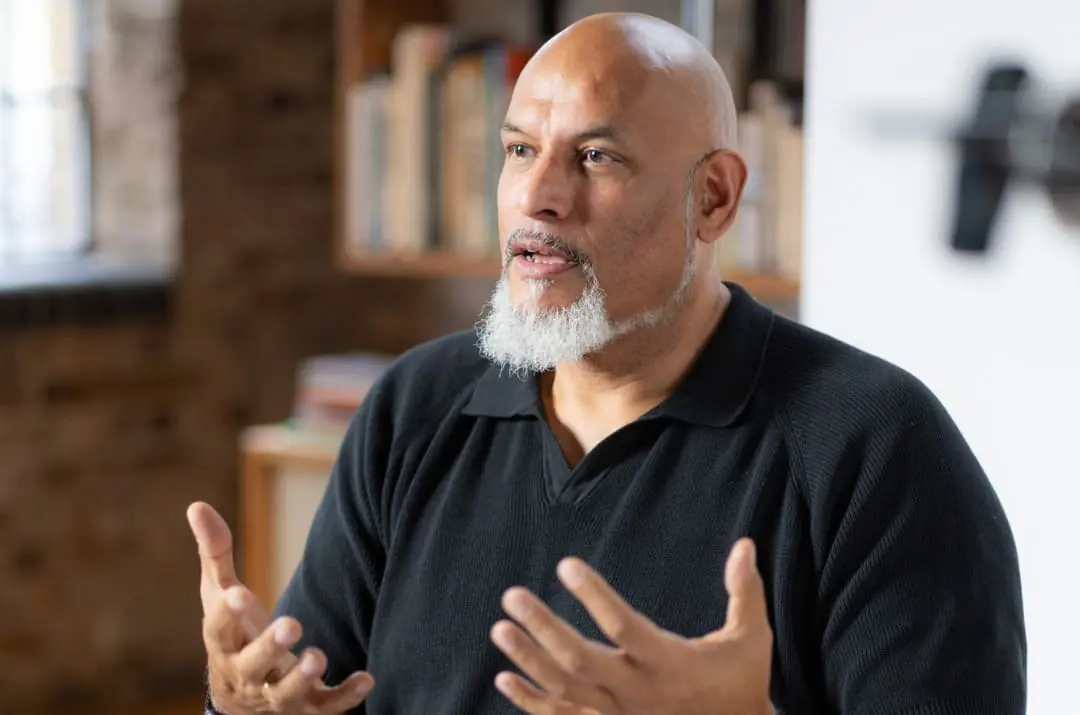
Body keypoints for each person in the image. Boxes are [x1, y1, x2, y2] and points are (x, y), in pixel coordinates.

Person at [191, 11, 1026, 715]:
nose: (538, 196)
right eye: (520, 150)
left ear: (713, 198)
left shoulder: (876, 446)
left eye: (596, 156)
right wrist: (242, 704)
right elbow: (312, 692)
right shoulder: (414, 406)